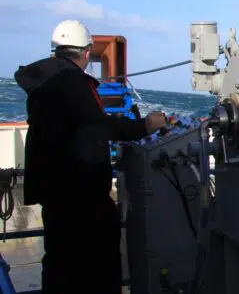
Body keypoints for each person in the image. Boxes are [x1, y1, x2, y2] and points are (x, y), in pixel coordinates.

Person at [13, 19, 168, 293]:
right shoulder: (71, 81)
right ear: (86, 53)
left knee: (60, 263)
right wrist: (144, 125)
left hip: (56, 194)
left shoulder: (45, 81)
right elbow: (97, 125)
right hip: (80, 197)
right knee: (98, 266)